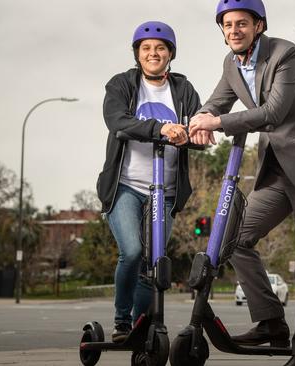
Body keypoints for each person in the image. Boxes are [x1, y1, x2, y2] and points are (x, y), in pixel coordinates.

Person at [189, 1, 295, 365]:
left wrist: (217, 124)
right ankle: (271, 322)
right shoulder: (231, 64)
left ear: (258, 25)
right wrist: (200, 119)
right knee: (233, 238)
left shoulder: (285, 54)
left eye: (242, 23)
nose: (234, 30)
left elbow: (273, 113)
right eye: (228, 24)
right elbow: (215, 103)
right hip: (278, 172)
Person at [96, 21, 201, 342]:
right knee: (131, 251)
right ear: (138, 54)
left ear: (170, 54)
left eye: (160, 48)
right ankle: (122, 321)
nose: (153, 53)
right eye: (146, 48)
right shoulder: (121, 86)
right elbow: (117, 122)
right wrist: (163, 129)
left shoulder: (183, 90)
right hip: (125, 186)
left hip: (165, 190)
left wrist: (195, 134)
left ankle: (143, 326)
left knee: (152, 261)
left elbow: (197, 128)